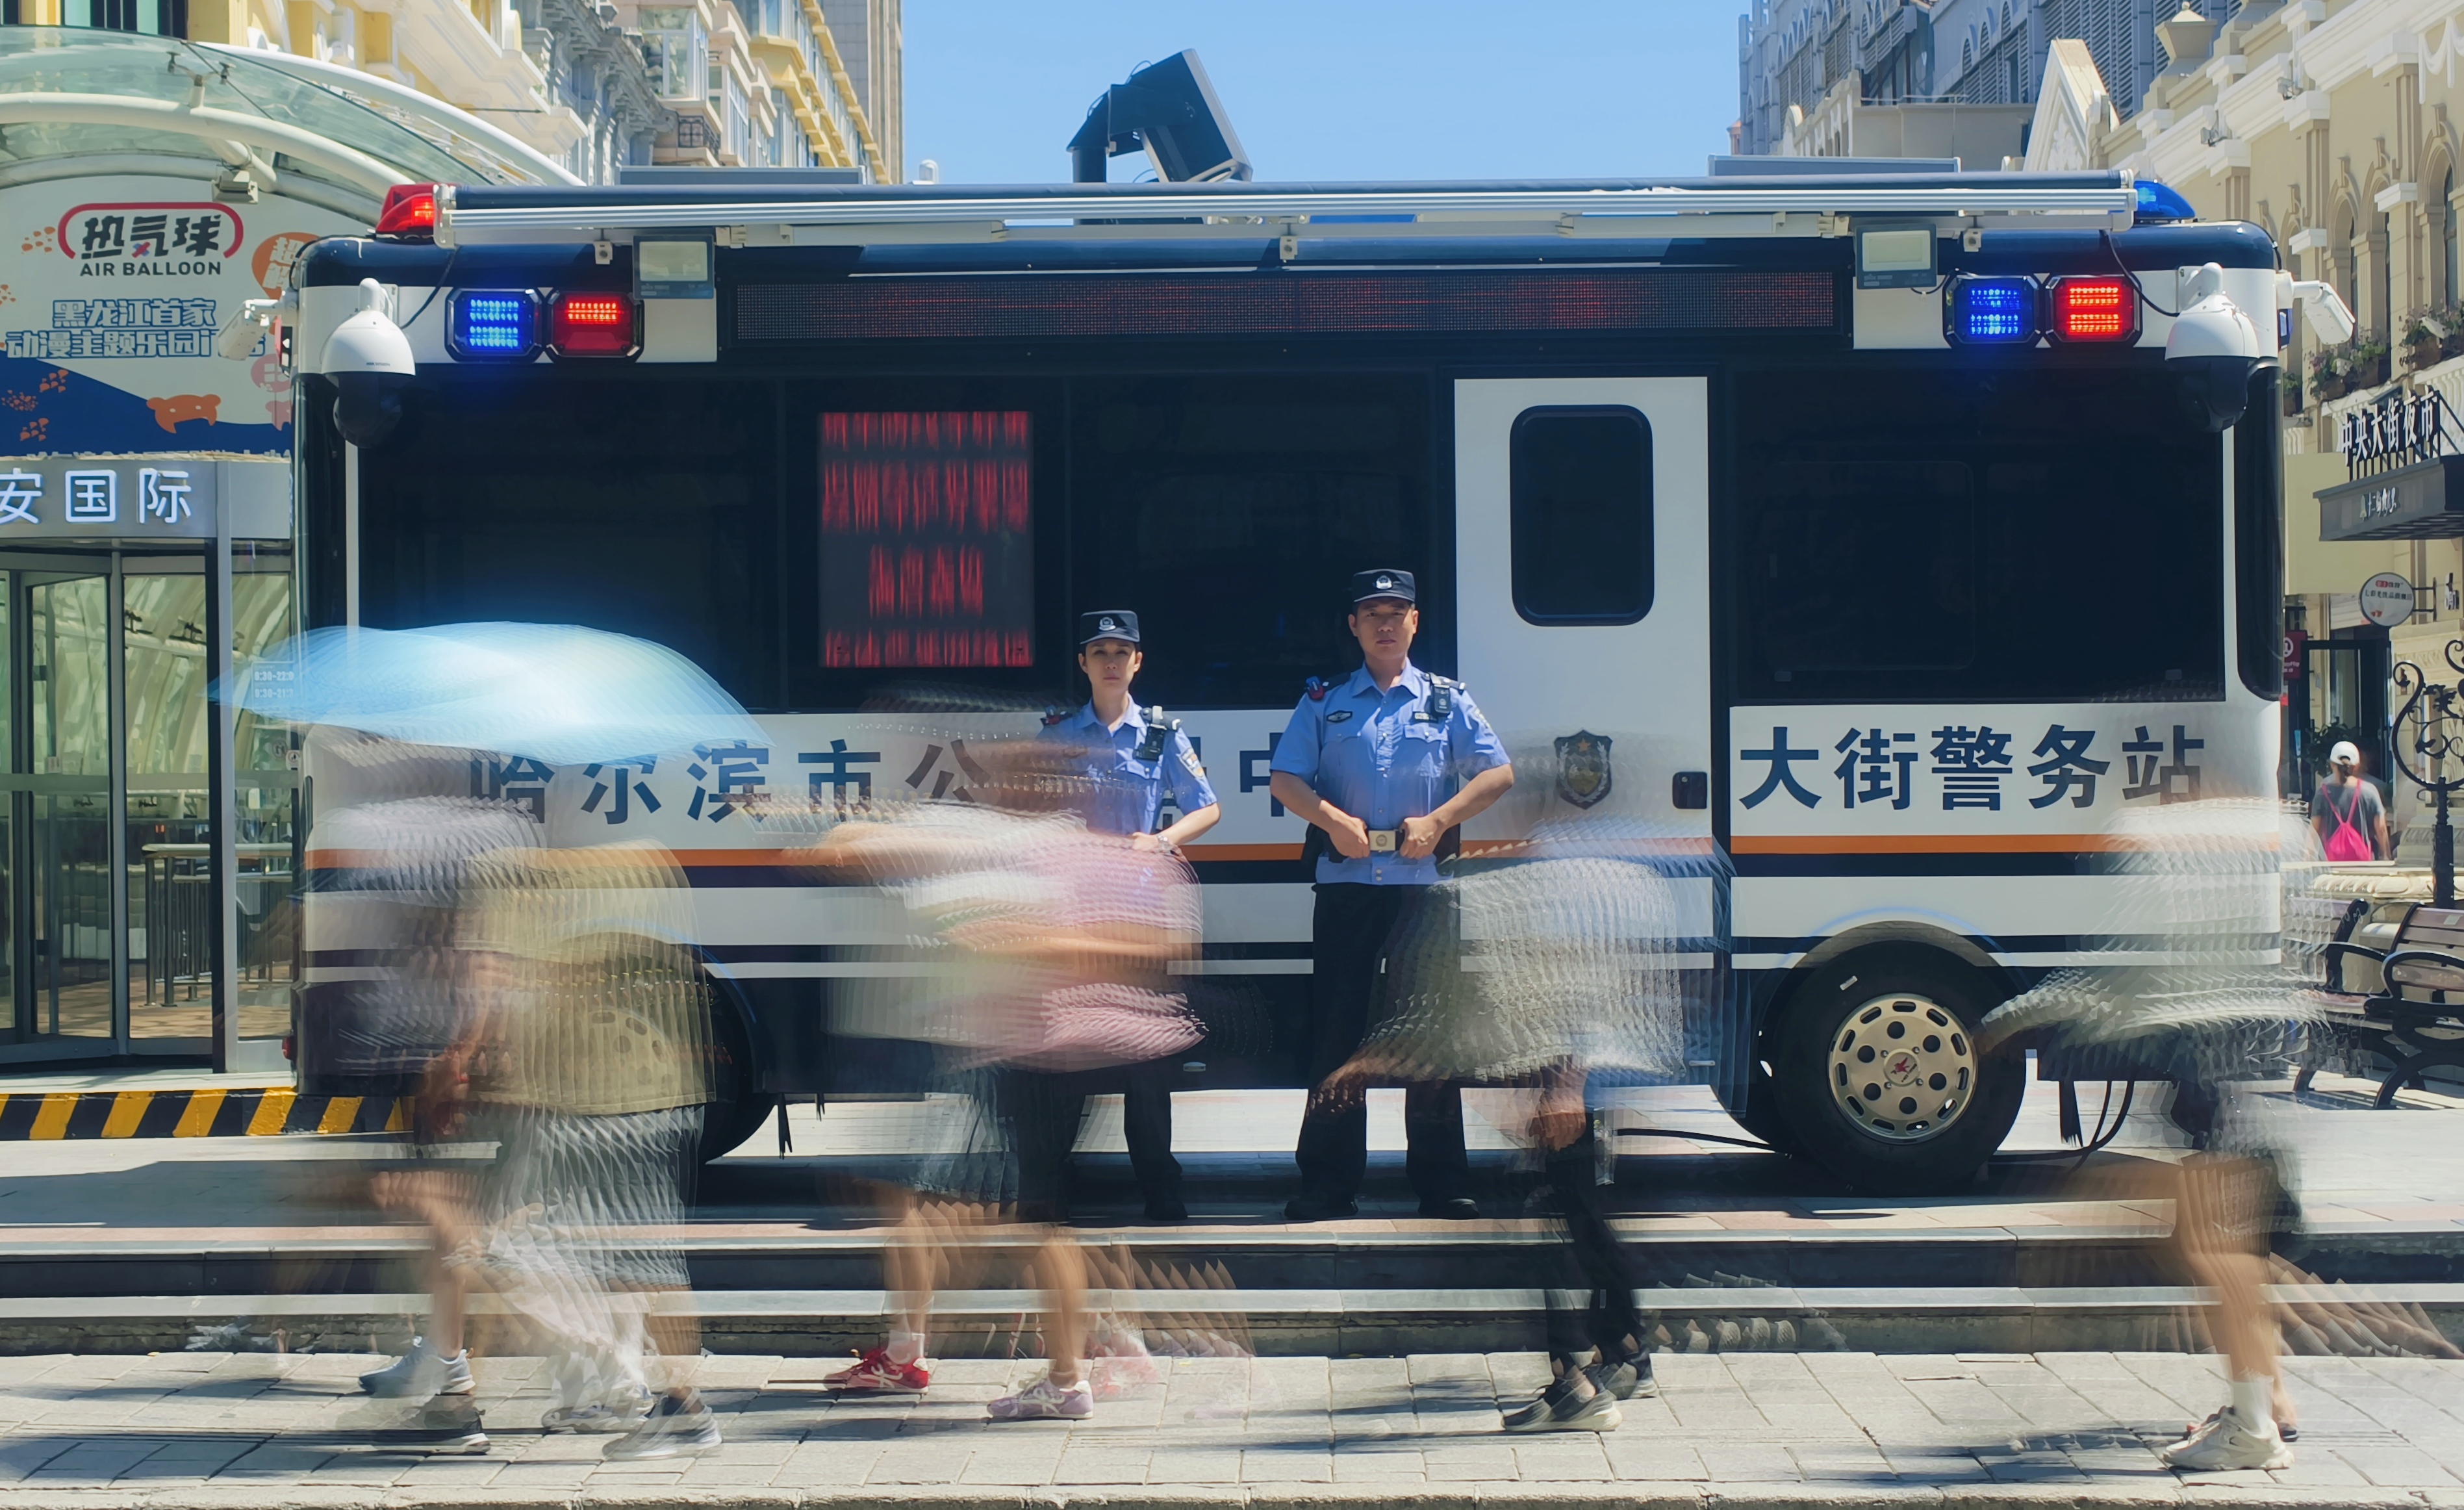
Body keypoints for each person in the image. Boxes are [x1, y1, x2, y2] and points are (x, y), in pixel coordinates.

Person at [1267, 569, 1514, 1222]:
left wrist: (1439, 820)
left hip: (1422, 892)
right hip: (1347, 889)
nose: (1384, 624)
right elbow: (1286, 779)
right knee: (1338, 1035)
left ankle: (1441, 1183)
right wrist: (1331, 821)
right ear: (1353, 625)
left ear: (1414, 622)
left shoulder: (1446, 700)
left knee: (1428, 1036)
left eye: (1395, 613)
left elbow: (1497, 773)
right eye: (1371, 614)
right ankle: (1327, 1183)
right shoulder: (1323, 701)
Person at [1039, 609, 1222, 1222]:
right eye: (1100, 652)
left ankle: (1160, 1190)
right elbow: (1034, 815)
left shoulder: (1161, 735)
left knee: (1147, 1063)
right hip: (1076, 918)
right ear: (1083, 663)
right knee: (1067, 1057)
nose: (1111, 662)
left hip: (1139, 918)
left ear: (1137, 662)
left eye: (1122, 652)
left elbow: (1207, 808)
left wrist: (1163, 841)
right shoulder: (1059, 737)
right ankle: (1051, 1189)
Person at [2313, 741, 2390, 862]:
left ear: (2332, 764)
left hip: (2331, 863)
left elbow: (2314, 831)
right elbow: (2381, 828)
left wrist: (2308, 859)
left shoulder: (2322, 793)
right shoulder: (2370, 791)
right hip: (2363, 863)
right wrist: (2386, 856)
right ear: (2357, 766)